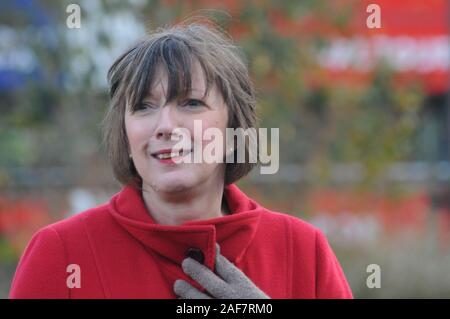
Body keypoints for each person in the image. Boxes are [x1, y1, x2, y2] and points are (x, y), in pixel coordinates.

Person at [9, 21, 353, 299]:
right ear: (126, 134)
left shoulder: (303, 251)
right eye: (144, 106)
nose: (165, 126)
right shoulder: (62, 254)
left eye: (190, 103)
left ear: (234, 126)